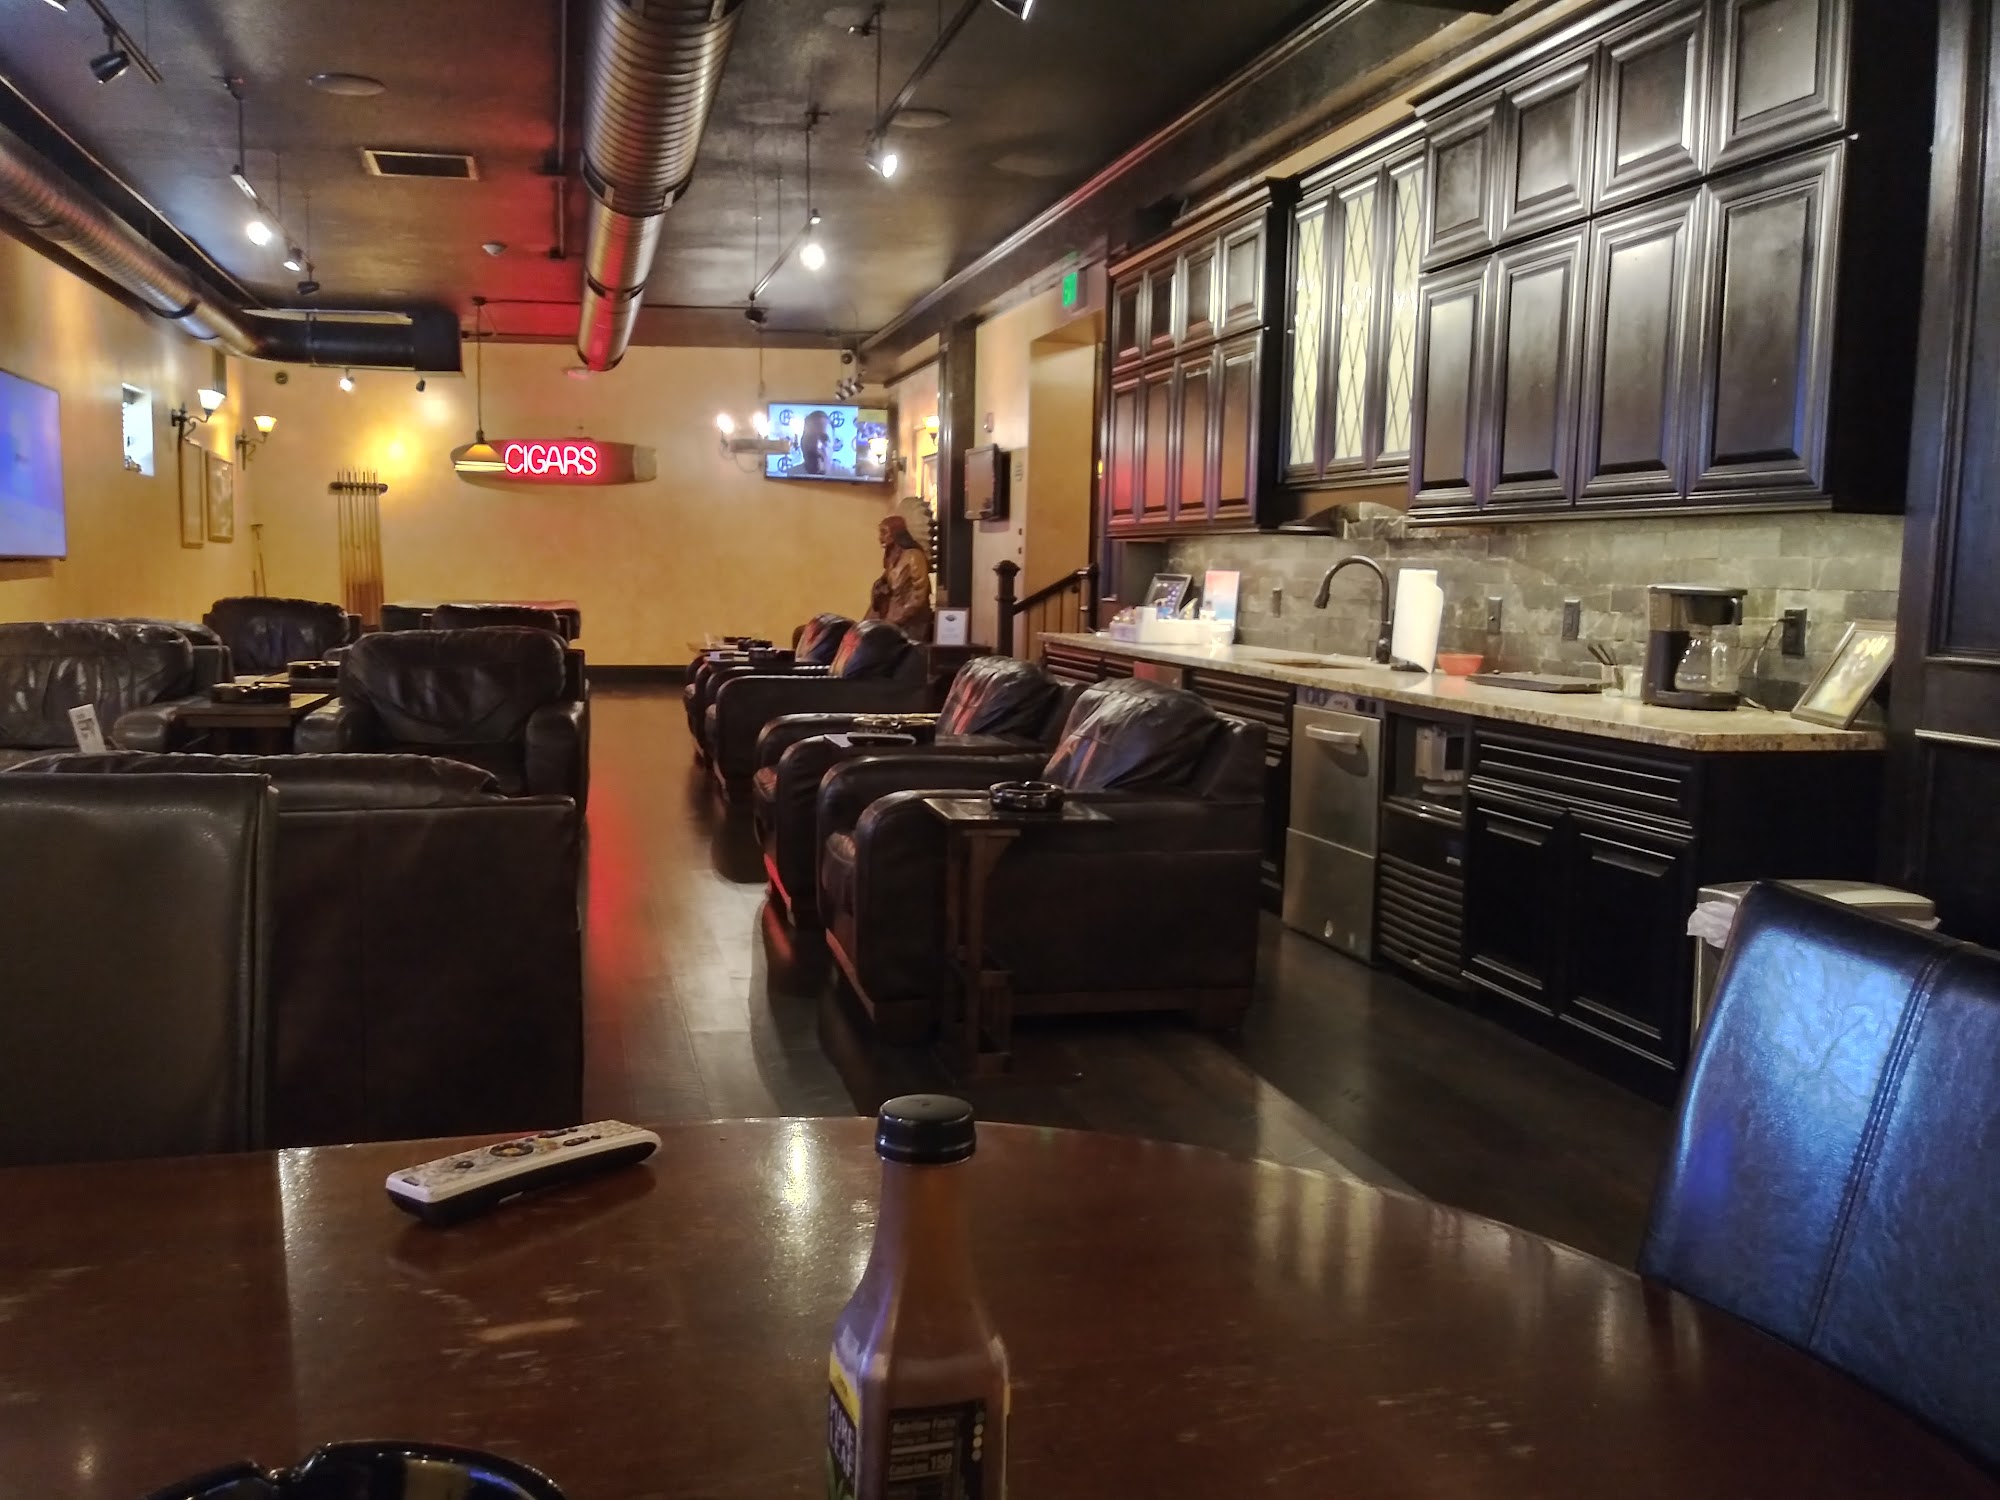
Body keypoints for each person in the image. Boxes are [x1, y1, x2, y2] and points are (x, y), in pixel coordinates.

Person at [865, 515, 934, 642]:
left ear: (896, 533)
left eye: (884, 532)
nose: (880, 538)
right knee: (865, 634)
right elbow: (886, 582)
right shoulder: (892, 558)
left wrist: (899, 616)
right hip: (891, 616)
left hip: (910, 621)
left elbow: (919, 593)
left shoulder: (914, 556)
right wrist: (879, 587)